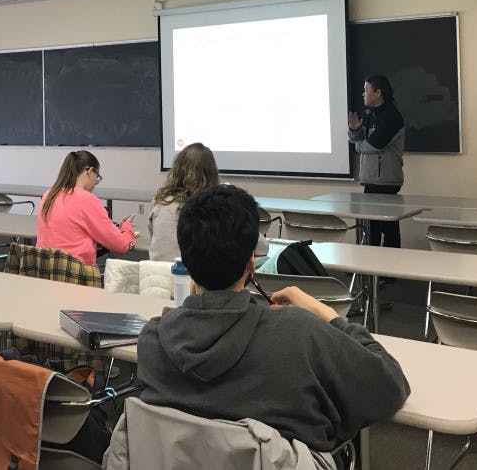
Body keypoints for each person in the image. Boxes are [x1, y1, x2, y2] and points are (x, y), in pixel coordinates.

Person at [129, 185, 409, 459]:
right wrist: (324, 311)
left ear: (186, 261)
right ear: (251, 263)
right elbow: (390, 385)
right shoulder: (299, 333)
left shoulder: (153, 341)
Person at [36, 150, 136, 266]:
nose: (95, 184)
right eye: (97, 177)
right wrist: (127, 229)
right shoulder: (87, 200)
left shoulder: (48, 195)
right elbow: (121, 245)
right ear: (90, 171)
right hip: (75, 274)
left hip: (43, 271)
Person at [348, 74, 405, 248]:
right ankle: (371, 263)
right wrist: (354, 130)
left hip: (386, 182)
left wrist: (357, 146)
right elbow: (358, 140)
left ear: (378, 93)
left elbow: (375, 145)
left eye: (366, 90)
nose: (363, 94)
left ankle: (391, 265)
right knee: (371, 227)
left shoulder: (391, 117)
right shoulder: (370, 114)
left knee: (388, 228)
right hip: (371, 179)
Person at [148, 142, 219, 261]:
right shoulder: (213, 206)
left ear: (177, 170)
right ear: (211, 172)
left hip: (156, 269)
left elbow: (154, 237)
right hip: (193, 271)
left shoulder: (159, 200)